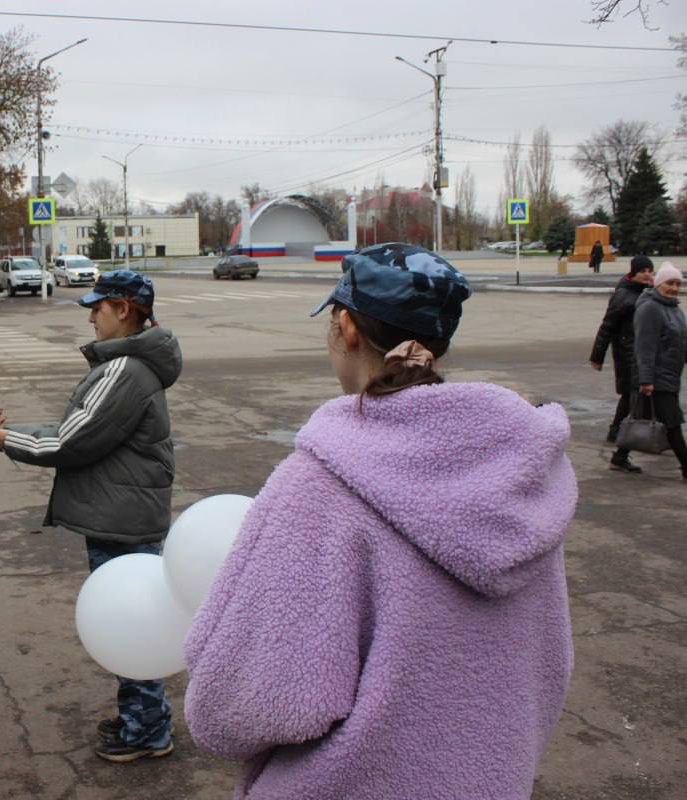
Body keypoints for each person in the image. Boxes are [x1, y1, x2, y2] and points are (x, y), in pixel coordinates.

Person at [184, 243, 576, 800]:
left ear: (345, 327)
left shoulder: (321, 484)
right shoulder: (522, 470)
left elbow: (240, 707)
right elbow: (548, 663)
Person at [0, 270, 182, 763]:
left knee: (130, 624)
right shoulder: (130, 365)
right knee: (132, 620)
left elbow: (70, 440)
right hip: (124, 510)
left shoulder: (125, 370)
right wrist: (14, 436)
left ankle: (146, 728)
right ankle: (143, 717)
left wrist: (8, 441)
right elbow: (77, 430)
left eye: (98, 307)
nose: (91, 316)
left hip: (122, 517)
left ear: (125, 310)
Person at [611, 262, 687, 479]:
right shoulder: (649, 308)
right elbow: (644, 347)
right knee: (672, 423)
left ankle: (619, 457)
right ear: (659, 284)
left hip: (669, 375)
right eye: (669, 283)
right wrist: (645, 380)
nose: (674, 287)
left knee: (640, 417)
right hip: (654, 376)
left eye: (677, 283)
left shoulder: (674, 308)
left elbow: (681, 342)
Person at [591, 255, 655, 451]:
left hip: (641, 352)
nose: (646, 275)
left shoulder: (647, 292)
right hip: (627, 352)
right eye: (642, 271)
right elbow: (607, 326)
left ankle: (643, 433)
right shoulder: (624, 295)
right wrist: (597, 356)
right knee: (629, 394)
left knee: (641, 393)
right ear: (633, 273)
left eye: (649, 271)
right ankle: (616, 431)